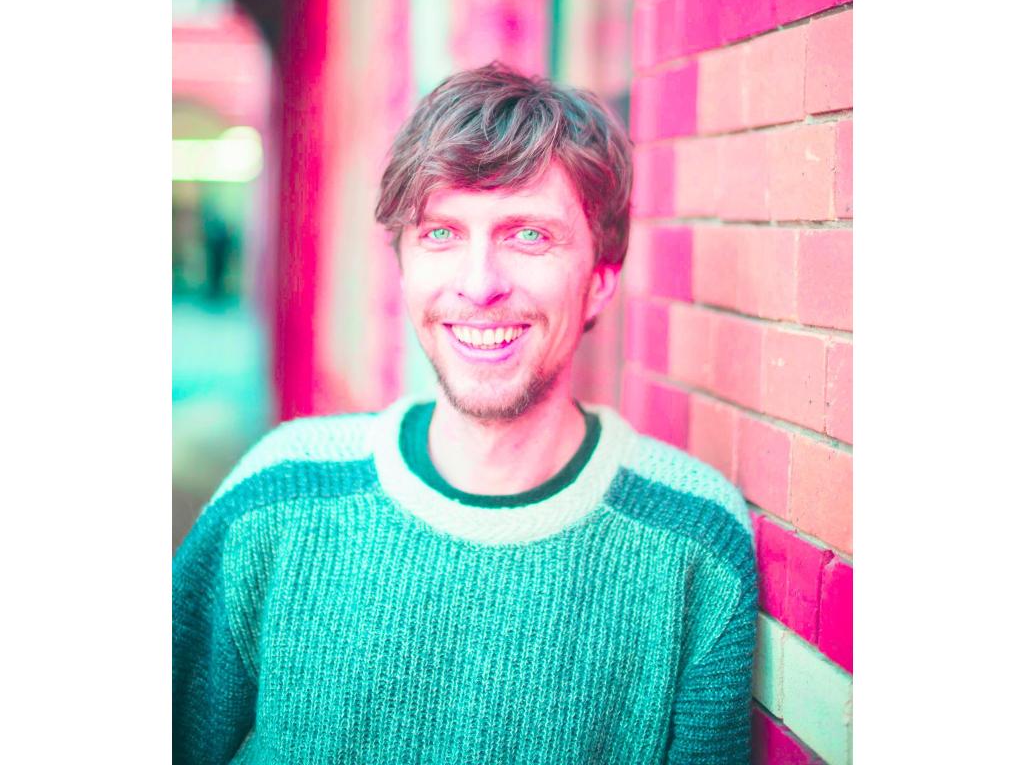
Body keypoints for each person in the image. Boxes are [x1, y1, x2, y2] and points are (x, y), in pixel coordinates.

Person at [173, 63, 757, 764]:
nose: (479, 286)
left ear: (600, 281)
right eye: (441, 234)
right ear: (403, 266)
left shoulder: (695, 544)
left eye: (528, 236)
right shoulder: (279, 494)